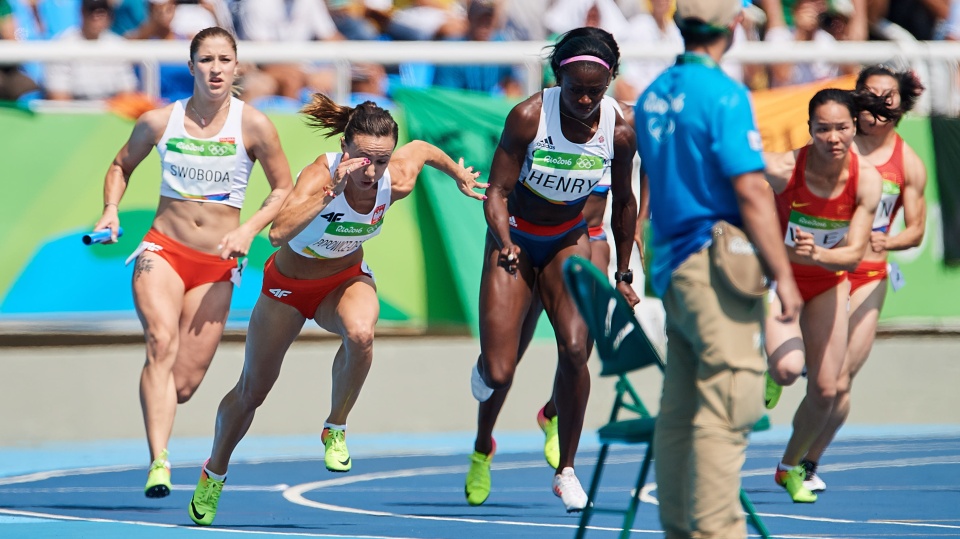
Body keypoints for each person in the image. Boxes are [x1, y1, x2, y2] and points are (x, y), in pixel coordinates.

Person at [187, 94, 487, 527]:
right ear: (345, 148)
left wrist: (457, 172)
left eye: (381, 161)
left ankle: (336, 426)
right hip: (287, 290)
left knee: (362, 334)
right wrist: (331, 192)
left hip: (342, 283)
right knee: (253, 391)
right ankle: (214, 470)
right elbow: (278, 233)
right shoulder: (318, 176)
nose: (372, 172)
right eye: (363, 160)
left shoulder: (392, 180)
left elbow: (420, 150)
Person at [91, 26, 294, 499]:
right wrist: (111, 208)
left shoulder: (255, 125)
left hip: (217, 263)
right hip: (163, 250)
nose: (216, 68)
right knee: (160, 343)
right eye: (206, 60)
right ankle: (159, 461)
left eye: (225, 59)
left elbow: (281, 187)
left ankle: (163, 417)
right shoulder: (160, 121)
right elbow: (121, 165)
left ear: (237, 66)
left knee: (182, 384)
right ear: (191, 67)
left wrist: (247, 229)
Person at [633, 0, 803, 536]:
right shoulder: (724, 93)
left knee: (683, 410)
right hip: (714, 265)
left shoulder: (654, 91)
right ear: (732, 27)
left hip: (674, 265)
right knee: (730, 404)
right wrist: (784, 275)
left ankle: (683, 529)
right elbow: (750, 188)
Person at [466, 26, 640, 513]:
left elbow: (624, 202)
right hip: (516, 238)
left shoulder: (621, 128)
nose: (584, 99)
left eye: (595, 91)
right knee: (500, 371)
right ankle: (483, 447)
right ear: (556, 77)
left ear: (610, 84)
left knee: (576, 348)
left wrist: (624, 273)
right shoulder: (527, 117)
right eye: (575, 89)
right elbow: (497, 191)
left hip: (569, 240)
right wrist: (504, 242)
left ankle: (566, 470)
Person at [793, 66, 927, 492]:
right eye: (871, 96)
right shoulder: (834, 147)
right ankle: (781, 368)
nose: (879, 107)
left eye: (889, 98)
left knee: (841, 380)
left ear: (901, 104)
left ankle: (808, 462)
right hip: (821, 268)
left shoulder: (908, 162)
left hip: (868, 270)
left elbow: (917, 228)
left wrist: (885, 242)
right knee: (807, 369)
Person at [762, 88, 891, 503]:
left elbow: (854, 254)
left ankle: (789, 467)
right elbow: (729, 171)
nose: (833, 138)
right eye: (823, 129)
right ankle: (771, 368)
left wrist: (818, 252)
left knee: (826, 389)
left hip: (828, 282)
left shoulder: (867, 180)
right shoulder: (785, 169)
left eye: (842, 128)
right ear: (810, 130)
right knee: (786, 369)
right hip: (782, 280)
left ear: (855, 127)